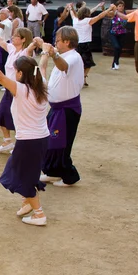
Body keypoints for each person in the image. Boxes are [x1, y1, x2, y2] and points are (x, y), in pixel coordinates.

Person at [0, 55, 50, 226]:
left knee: (22, 175)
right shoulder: (42, 85)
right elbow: (41, 67)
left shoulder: (21, 89)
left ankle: (39, 213)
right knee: (22, 170)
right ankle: (27, 202)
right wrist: (45, 54)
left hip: (28, 141)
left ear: (20, 74)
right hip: (41, 139)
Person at [38, 26, 84, 187]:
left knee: (62, 143)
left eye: (57, 40)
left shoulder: (73, 57)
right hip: (57, 108)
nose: (55, 43)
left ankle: (69, 176)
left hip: (67, 109)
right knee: (51, 141)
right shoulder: (65, 56)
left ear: (67, 41)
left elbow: (63, 66)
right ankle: (52, 171)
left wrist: (53, 54)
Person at [0, 25, 39, 153]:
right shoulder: (12, 49)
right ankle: (8, 141)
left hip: (20, 91)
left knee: (19, 118)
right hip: (9, 90)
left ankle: (20, 144)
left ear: (23, 39)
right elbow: (1, 41)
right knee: (2, 115)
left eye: (16, 36)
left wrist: (35, 42)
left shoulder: (25, 52)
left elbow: (31, 48)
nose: (13, 37)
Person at [69, 2, 115, 87]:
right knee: (88, 63)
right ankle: (83, 77)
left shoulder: (75, 21)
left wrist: (70, 7)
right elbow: (100, 16)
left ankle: (81, 79)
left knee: (78, 63)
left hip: (76, 45)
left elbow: (72, 14)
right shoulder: (88, 21)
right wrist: (109, 9)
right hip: (85, 45)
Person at [107, 0, 128, 70]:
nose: (121, 7)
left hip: (122, 33)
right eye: (119, 6)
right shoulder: (114, 13)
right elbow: (106, 13)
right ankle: (116, 62)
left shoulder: (125, 13)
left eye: (122, 6)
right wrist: (103, 7)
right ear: (117, 7)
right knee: (116, 47)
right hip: (113, 33)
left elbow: (136, 10)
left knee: (119, 49)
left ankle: (115, 62)